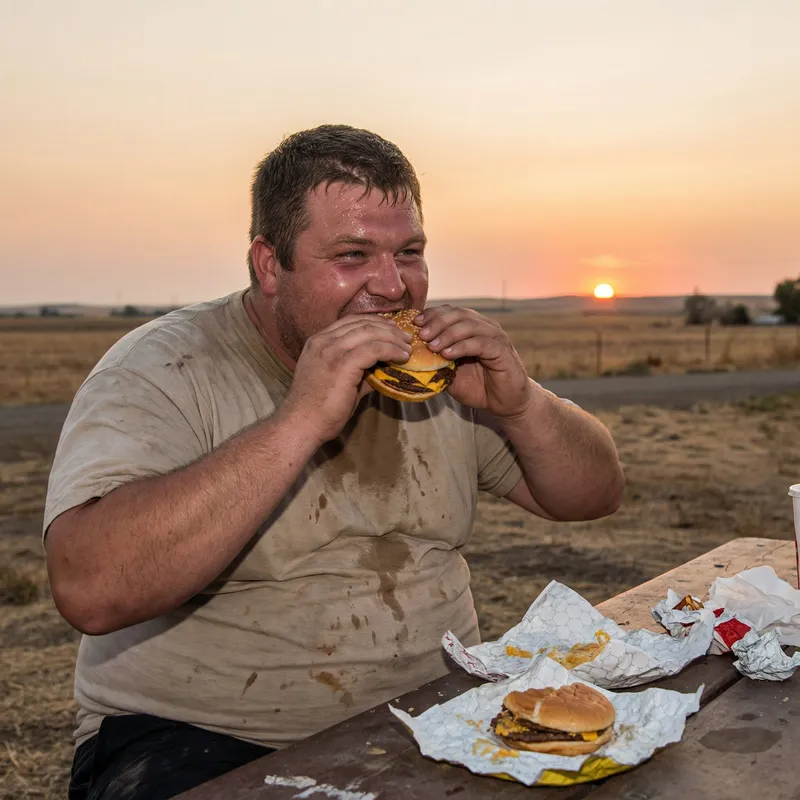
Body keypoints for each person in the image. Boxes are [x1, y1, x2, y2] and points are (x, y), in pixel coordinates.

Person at [44, 124, 625, 799]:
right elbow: (90, 588)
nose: (392, 285)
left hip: (434, 715)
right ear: (269, 265)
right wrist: (299, 420)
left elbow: (593, 494)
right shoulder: (164, 367)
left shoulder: (433, 373)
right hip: (201, 735)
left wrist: (521, 402)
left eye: (409, 252)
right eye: (353, 255)